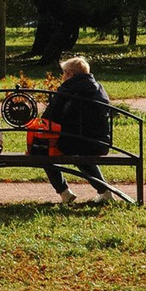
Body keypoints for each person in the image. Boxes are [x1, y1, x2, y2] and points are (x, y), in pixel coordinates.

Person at [39, 55, 117, 205]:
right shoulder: (99, 88)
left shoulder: (67, 90)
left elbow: (49, 117)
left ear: (70, 75)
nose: (62, 77)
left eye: (64, 73)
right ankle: (105, 192)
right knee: (82, 151)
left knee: (43, 152)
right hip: (100, 143)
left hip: (75, 143)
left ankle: (64, 192)